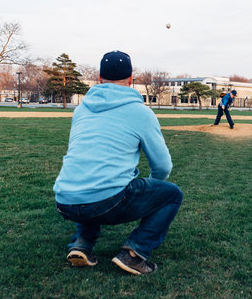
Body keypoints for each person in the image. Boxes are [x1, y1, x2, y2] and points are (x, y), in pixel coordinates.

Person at [53, 50, 183, 275]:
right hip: (106, 200)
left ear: (100, 78)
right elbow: (162, 167)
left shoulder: (81, 110)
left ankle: (82, 243)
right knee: (172, 194)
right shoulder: (140, 113)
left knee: (95, 178)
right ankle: (135, 254)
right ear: (131, 79)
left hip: (64, 199)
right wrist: (150, 195)